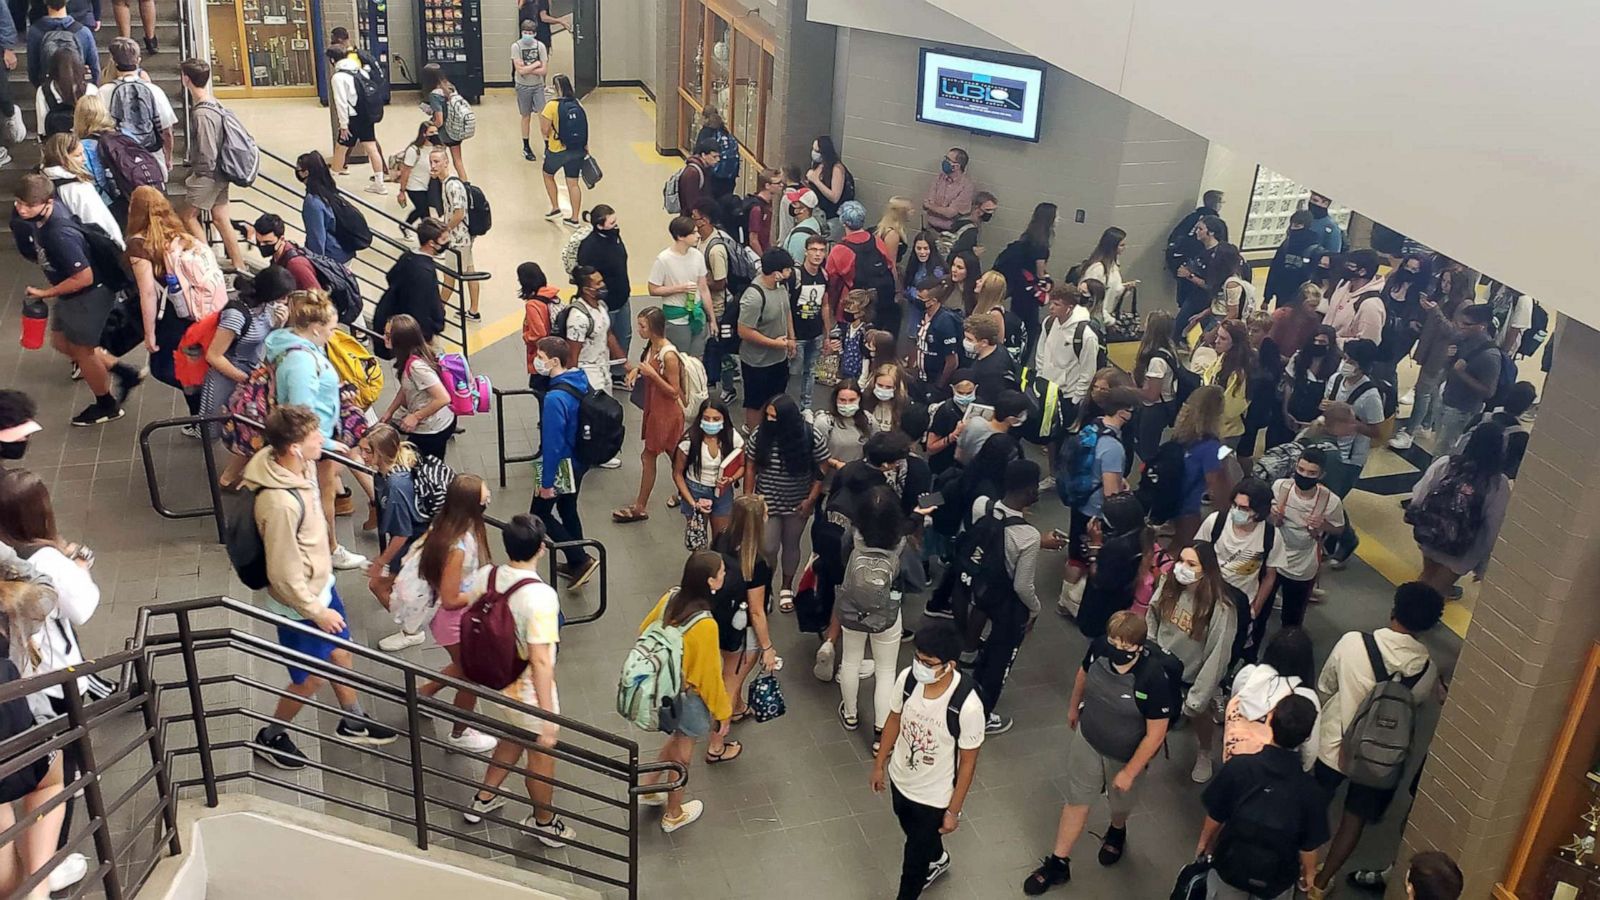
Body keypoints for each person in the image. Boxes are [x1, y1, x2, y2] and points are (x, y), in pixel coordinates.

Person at [244, 406, 399, 769]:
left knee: (341, 652)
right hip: (300, 606)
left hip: (321, 587)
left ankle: (354, 719)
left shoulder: (302, 465)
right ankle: (271, 736)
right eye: (316, 436)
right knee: (310, 679)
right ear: (295, 447)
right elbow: (282, 573)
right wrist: (316, 611)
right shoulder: (279, 502)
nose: (323, 441)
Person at [1022, 610, 1176, 894]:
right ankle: (1058, 863)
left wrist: (1130, 771)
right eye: (1113, 641)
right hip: (1089, 739)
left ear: (1139, 647)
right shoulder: (1100, 648)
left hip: (1126, 754)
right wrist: (1073, 707)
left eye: (1126, 646)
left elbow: (1156, 734)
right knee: (1077, 800)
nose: (1117, 649)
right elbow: (1083, 674)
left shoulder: (1152, 677)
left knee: (1120, 803)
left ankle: (1117, 830)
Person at [1310, 582, 1445, 897]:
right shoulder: (1427, 670)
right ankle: (1321, 882)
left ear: (1393, 609)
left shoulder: (1353, 643)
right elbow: (1416, 707)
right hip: (1381, 759)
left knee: (1314, 804)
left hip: (1333, 746)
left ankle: (1299, 861)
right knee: (1353, 819)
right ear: (1430, 626)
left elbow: (1326, 685)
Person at [458, 514, 575, 847]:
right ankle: (544, 821)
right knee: (540, 759)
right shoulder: (540, 597)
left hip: (495, 680)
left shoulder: (487, 575)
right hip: (526, 692)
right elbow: (540, 659)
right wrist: (548, 717)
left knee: (512, 735)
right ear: (540, 548)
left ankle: (484, 797)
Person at [11, 173, 142, 426]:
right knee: (61, 342)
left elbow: (83, 277)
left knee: (83, 351)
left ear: (47, 202)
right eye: (19, 202)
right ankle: (125, 372)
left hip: (87, 295)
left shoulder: (59, 234)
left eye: (29, 205)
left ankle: (106, 405)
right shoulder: (44, 217)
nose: (21, 209)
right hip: (72, 294)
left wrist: (45, 293)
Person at [870, 621, 985, 899]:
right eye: (918, 658)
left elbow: (968, 762)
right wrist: (879, 764)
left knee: (913, 860)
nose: (921, 666)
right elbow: (894, 718)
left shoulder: (967, 706)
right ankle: (937, 856)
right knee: (908, 826)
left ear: (950, 665)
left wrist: (953, 811)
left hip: (934, 797)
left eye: (929, 662)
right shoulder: (909, 679)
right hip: (901, 780)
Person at [0, 563, 93, 895]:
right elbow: (41, 593)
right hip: (10, 725)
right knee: (49, 779)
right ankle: (39, 882)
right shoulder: (12, 603)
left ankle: (28, 885)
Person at [263, 291, 368, 571]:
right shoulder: (302, 361)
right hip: (313, 442)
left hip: (318, 437)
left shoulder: (302, 347)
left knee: (322, 494)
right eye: (332, 329)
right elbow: (301, 413)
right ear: (316, 328)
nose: (334, 335)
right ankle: (326, 549)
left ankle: (325, 546)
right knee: (319, 496)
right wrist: (329, 445)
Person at [1197, 694, 1328, 900]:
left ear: (1269, 720)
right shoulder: (1311, 791)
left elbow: (1216, 814)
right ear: (1307, 736)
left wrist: (1205, 842)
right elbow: (1308, 846)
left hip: (1230, 865)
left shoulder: (1238, 767)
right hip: (1276, 878)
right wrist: (1309, 874)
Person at [964, 459, 1063, 733]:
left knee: (985, 653)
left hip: (983, 591)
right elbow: (1023, 585)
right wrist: (1035, 609)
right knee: (1001, 658)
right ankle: (982, 716)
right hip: (1008, 605)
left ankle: (969, 691)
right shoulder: (1028, 535)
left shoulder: (985, 507)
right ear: (1031, 491)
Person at [403, 474, 499, 753]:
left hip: (458, 620)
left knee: (462, 667)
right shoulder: (457, 547)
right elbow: (450, 599)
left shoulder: (451, 527)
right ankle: (460, 732)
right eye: (484, 494)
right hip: (455, 621)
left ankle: (423, 694)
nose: (489, 496)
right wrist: (483, 591)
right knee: (472, 674)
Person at [637, 551, 731, 833]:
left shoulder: (671, 598)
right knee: (683, 755)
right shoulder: (705, 625)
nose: (725, 574)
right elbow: (709, 677)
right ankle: (674, 813)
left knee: (676, 741)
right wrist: (723, 713)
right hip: (688, 697)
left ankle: (648, 786)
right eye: (721, 571)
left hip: (663, 688)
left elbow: (644, 629)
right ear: (710, 582)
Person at [1147, 542, 1237, 783]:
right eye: (1181, 561)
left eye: (1191, 564)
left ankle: (1205, 752)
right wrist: (1152, 647)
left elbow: (1217, 657)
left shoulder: (1220, 608)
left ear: (1206, 569)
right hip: (1163, 666)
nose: (1182, 568)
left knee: (1200, 717)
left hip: (1191, 676)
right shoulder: (1169, 585)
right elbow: (1152, 615)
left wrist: (1197, 698)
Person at [124, 185, 213, 414]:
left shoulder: (139, 245)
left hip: (170, 315)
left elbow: (148, 293)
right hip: (195, 307)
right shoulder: (178, 232)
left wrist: (149, 333)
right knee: (190, 364)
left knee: (163, 368)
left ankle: (206, 403)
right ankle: (201, 413)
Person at [834, 485, 908, 735]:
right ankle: (880, 730)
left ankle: (851, 714)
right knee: (886, 670)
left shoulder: (852, 536)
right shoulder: (901, 543)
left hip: (852, 606)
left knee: (850, 660)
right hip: (887, 612)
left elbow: (843, 561)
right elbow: (913, 579)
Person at [209, 267, 294, 485]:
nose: (285, 301)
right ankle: (231, 476)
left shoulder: (266, 307)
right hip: (229, 377)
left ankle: (235, 475)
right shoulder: (236, 314)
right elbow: (214, 355)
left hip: (252, 371)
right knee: (235, 426)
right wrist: (245, 379)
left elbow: (266, 339)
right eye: (282, 296)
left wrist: (279, 326)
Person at [745, 393, 829, 607]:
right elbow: (751, 466)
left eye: (775, 417)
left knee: (792, 545)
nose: (771, 421)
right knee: (769, 547)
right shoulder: (760, 434)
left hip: (798, 501)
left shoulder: (810, 435)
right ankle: (768, 585)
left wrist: (811, 499)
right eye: (768, 416)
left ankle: (786, 587)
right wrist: (749, 498)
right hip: (767, 500)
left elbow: (821, 468)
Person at [1057, 387, 1137, 613]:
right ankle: (1071, 601)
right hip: (1097, 514)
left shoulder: (1094, 425)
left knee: (1074, 555)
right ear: (1124, 413)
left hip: (1080, 502)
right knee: (1089, 559)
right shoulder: (1113, 447)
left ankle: (1064, 599)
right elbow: (1110, 495)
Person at [1409, 423, 1510, 598]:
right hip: (1463, 549)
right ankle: (1412, 616)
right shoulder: (1497, 484)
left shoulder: (1446, 464)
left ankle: (1411, 606)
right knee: (1432, 593)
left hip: (1431, 534)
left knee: (1427, 576)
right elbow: (1493, 528)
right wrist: (1483, 564)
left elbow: (1419, 495)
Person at [528, 336, 598, 587]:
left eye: (541, 357)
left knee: (539, 514)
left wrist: (546, 483)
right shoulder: (578, 379)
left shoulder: (554, 398)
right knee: (568, 508)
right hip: (580, 459)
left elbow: (552, 444)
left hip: (562, 464)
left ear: (554, 361)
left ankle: (580, 558)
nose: (537, 361)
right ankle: (576, 561)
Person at [1195, 477, 1286, 660]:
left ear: (1259, 512)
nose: (1236, 512)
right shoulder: (1216, 522)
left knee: (1229, 651)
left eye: (1244, 509)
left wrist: (1256, 607)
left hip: (1240, 605)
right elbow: (1197, 554)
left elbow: (1270, 576)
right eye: (1235, 505)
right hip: (1208, 595)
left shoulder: (1270, 537)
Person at [709, 495, 778, 733]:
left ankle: (738, 709)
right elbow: (757, 611)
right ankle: (717, 744)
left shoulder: (720, 539)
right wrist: (767, 647)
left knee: (729, 672)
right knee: (731, 681)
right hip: (744, 633)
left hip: (722, 622)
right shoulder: (756, 563)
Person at [356, 424, 438, 623]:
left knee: (377, 585)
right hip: (421, 538)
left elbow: (401, 534)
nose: (362, 456)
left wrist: (380, 562)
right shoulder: (399, 468)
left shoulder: (395, 486)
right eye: (361, 450)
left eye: (367, 451)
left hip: (414, 544)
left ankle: (411, 629)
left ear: (382, 453)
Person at [1263, 447, 1344, 640]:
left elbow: (1339, 528)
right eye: (1301, 469)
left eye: (1311, 473)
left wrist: (1323, 525)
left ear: (1321, 474)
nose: (1304, 476)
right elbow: (1266, 515)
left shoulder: (1330, 501)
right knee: (1261, 608)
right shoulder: (1281, 487)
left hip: (1303, 566)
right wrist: (1272, 513)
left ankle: (1288, 647)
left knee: (1292, 618)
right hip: (1273, 559)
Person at [614, 307, 685, 523]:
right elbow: (647, 366)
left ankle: (640, 506)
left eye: (642, 326)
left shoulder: (669, 355)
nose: (639, 330)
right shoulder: (652, 347)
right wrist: (637, 370)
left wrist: (652, 375)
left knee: (650, 455)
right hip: (655, 409)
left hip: (666, 413)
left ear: (653, 328)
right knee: (675, 456)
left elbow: (674, 391)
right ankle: (688, 491)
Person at [1390, 272, 1471, 450]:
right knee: (1432, 390)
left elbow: (1454, 332)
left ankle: (1409, 432)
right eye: (1443, 280)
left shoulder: (1464, 305)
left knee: (1423, 391)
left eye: (1449, 282)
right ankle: (1425, 423)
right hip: (1431, 349)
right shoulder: (1444, 299)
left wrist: (1434, 311)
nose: (1444, 285)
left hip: (1441, 354)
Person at [180, 59, 245, 271]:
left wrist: (199, 172)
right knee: (220, 217)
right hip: (223, 171)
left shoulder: (201, 113)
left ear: (186, 79)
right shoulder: (214, 103)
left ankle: (209, 265)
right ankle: (239, 263)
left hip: (209, 174)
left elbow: (207, 151)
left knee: (188, 217)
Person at [1224, 627, 1321, 769]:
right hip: (1274, 771)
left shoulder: (1247, 674)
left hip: (1234, 759)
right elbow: (1310, 750)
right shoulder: (1305, 699)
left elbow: (1234, 705)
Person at [737, 248, 797, 430]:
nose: (791, 272)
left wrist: (791, 339)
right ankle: (754, 434)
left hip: (778, 359)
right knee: (756, 402)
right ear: (777, 273)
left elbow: (786, 312)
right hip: (757, 362)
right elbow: (744, 331)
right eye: (787, 269)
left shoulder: (781, 288)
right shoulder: (754, 296)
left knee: (776, 398)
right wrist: (776, 343)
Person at [379, 314, 454, 461]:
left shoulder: (416, 367)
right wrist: (390, 412)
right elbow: (407, 388)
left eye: (388, 335)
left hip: (432, 429)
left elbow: (443, 398)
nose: (384, 338)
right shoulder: (413, 358)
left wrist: (415, 416)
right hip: (436, 423)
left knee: (422, 467)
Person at [1168, 386, 1235, 547]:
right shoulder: (1211, 448)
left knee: (1175, 548)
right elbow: (1215, 488)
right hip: (1193, 511)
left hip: (1174, 504)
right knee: (1191, 554)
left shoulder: (1179, 439)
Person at [575, 203, 633, 382]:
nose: (615, 224)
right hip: (605, 302)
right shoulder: (590, 247)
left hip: (622, 296)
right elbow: (587, 275)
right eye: (611, 222)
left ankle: (617, 372)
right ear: (600, 225)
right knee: (605, 337)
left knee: (624, 334)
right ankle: (606, 371)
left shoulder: (614, 236)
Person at [1433, 304, 1502, 453]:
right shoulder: (1460, 339)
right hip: (1446, 396)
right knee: (1438, 442)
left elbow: (1489, 392)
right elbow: (1449, 367)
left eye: (1467, 324)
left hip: (1462, 409)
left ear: (1482, 326)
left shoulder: (1490, 356)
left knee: (1445, 450)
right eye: (1460, 322)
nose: (1461, 327)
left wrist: (1463, 374)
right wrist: (1448, 358)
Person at [688, 198, 738, 402]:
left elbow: (720, 282)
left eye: (695, 218)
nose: (692, 221)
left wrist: (699, 282)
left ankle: (728, 385)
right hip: (703, 303)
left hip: (717, 308)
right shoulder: (701, 240)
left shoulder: (716, 249)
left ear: (705, 220)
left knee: (720, 349)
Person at [673, 397, 744, 539]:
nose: (711, 423)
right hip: (695, 490)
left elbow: (742, 465)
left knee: (721, 539)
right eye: (707, 418)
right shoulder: (689, 441)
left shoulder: (733, 437)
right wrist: (693, 502)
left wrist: (730, 479)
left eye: (716, 419)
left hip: (723, 493)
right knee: (697, 540)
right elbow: (677, 474)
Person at [992, 202, 1057, 356]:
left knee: (1016, 321)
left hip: (1019, 287)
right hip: (1030, 293)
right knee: (1030, 327)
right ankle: (1023, 357)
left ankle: (1012, 350)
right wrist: (1048, 282)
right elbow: (1040, 273)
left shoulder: (1027, 237)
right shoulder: (1041, 246)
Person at [824, 199, 896, 333]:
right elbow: (890, 266)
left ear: (844, 222)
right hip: (879, 306)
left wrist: (831, 310)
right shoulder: (877, 241)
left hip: (853, 308)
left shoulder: (840, 250)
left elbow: (831, 283)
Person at [563, 265, 625, 418]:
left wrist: (624, 362)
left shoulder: (601, 306)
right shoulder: (578, 318)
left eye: (602, 281)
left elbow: (608, 334)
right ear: (586, 289)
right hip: (588, 378)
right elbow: (572, 356)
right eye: (597, 284)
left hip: (603, 373)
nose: (603, 285)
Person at [427, 146, 481, 320]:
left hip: (457, 240)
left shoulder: (452, 186)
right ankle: (473, 311)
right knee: (470, 272)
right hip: (463, 238)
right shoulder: (447, 184)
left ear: (446, 163)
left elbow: (459, 213)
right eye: (431, 162)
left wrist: (445, 230)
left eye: (436, 162)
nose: (433, 166)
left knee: (449, 277)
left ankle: (438, 310)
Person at [647, 214, 710, 362]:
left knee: (696, 360)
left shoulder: (697, 256)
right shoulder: (664, 259)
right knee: (678, 360)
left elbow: (704, 288)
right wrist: (679, 288)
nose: (698, 235)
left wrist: (711, 318)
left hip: (697, 314)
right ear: (680, 236)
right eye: (693, 232)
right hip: (676, 319)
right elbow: (653, 289)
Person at [104, 38, 173, 170]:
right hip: (152, 158)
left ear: (112, 62)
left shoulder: (104, 92)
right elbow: (167, 131)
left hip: (120, 162)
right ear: (138, 60)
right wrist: (168, 158)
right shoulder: (154, 90)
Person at [39, 132, 119, 243]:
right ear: (63, 157)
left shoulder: (45, 180)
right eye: (78, 155)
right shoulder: (77, 188)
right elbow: (95, 221)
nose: (84, 159)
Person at [1033, 282, 1100, 415]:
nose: (1051, 307)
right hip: (1045, 390)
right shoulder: (1049, 322)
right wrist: (1040, 377)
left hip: (1066, 396)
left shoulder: (1086, 335)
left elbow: (1088, 372)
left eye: (1057, 304)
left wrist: (1076, 400)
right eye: (1051, 303)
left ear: (1070, 308)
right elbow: (1041, 353)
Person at [1323, 338, 1387, 474]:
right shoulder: (1335, 379)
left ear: (1362, 366)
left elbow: (1379, 433)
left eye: (1351, 362)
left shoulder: (1371, 396)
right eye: (1345, 358)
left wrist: (1347, 418)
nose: (1345, 364)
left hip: (1350, 458)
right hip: (1328, 446)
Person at [326, 48, 384, 193]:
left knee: (340, 148)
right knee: (371, 148)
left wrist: (343, 125)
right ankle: (380, 184)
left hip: (352, 118)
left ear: (332, 60)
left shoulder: (338, 77)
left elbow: (340, 103)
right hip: (366, 115)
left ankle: (331, 182)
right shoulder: (359, 70)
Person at [1273, 321, 1339, 447]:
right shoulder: (1298, 357)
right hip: (1292, 416)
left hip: (1316, 422)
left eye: (1322, 342)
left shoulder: (1336, 365)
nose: (1317, 344)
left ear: (1330, 345)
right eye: (1315, 341)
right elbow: (1288, 385)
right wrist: (1286, 412)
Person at [382, 217, 448, 341]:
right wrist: (436, 324)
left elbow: (390, 276)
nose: (448, 242)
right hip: (418, 332)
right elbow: (427, 303)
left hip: (400, 316)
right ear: (431, 243)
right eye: (444, 239)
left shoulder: (407, 256)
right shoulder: (425, 271)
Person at [1374, 252, 1433, 387]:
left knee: (1385, 370)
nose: (1409, 271)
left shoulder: (1424, 294)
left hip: (1399, 340)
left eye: (1414, 270)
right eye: (1407, 267)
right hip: (1380, 329)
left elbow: (1418, 322)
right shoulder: (1393, 279)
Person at [538, 74, 587, 226]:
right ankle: (574, 218)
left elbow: (545, 130)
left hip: (557, 150)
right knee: (573, 183)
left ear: (556, 88)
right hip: (577, 149)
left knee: (547, 174)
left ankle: (555, 207)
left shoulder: (551, 106)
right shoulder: (577, 103)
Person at [1131, 311, 1179, 461]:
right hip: (1163, 404)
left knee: (1147, 450)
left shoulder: (1156, 361)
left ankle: (1151, 476)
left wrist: (1130, 390)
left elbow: (1152, 395)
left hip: (1155, 410)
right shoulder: (1169, 349)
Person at [790, 231, 830, 411]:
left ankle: (806, 407)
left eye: (821, 250)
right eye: (813, 249)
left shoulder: (824, 275)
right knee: (793, 373)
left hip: (815, 334)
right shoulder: (795, 275)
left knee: (811, 372)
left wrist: (827, 335)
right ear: (806, 251)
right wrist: (790, 336)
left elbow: (825, 305)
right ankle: (788, 407)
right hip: (797, 335)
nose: (817, 254)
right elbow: (787, 307)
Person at [295, 151, 355, 262]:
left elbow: (317, 240)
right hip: (344, 251)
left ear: (305, 173)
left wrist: (315, 263)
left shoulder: (312, 202)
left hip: (332, 257)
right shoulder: (329, 190)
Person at [1201, 319, 1254, 442]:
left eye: (1223, 339)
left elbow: (1230, 410)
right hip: (1213, 428)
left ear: (1235, 343)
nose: (1216, 341)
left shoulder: (1239, 373)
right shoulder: (1224, 357)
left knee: (1221, 461)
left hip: (1227, 435)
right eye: (1217, 336)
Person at [1172, 214, 1224, 338]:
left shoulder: (1218, 255)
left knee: (1207, 333)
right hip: (1194, 296)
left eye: (1200, 229)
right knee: (1178, 328)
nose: (1196, 232)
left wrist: (1189, 276)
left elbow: (1211, 285)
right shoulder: (1201, 249)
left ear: (1210, 232)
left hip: (1207, 300)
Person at [1322, 249, 1387, 347]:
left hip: (1343, 357)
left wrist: (1337, 343)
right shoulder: (1342, 285)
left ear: (1362, 272)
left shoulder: (1371, 304)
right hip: (1325, 350)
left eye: (1350, 266)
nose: (1345, 268)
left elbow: (1368, 344)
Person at [25, 0, 97, 86]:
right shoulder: (83, 32)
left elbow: (33, 70)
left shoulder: (35, 32)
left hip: (49, 91)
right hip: (79, 91)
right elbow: (95, 69)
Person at [246, 212, 319, 291]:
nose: (262, 245)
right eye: (258, 241)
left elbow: (319, 298)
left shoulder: (295, 265)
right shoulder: (277, 257)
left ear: (281, 239)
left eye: (267, 242)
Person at [419, 64, 468, 180]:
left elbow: (439, 120)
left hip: (443, 134)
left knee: (437, 159)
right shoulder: (450, 88)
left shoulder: (434, 95)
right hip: (455, 129)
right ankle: (465, 185)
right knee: (458, 161)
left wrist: (430, 126)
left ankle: (439, 183)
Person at [1263, 209, 1321, 308]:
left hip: (1302, 296)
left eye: (1298, 226)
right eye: (1292, 225)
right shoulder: (1286, 245)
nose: (1293, 229)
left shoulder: (1314, 249)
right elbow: (1274, 271)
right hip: (1282, 294)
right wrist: (1267, 298)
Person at [813, 380, 873, 472]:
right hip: (831, 477)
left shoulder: (869, 420)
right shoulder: (824, 422)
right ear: (835, 400)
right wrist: (836, 464)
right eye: (842, 400)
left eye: (852, 400)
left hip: (858, 477)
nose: (847, 404)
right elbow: (816, 455)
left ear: (859, 399)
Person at [1166, 188, 1225, 282]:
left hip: (1180, 262)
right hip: (1198, 267)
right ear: (1217, 204)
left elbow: (1174, 237)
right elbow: (1222, 247)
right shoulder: (1216, 224)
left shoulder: (1191, 217)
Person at [1080, 226, 1137, 323]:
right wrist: (1110, 321)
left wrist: (1125, 288)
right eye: (1121, 245)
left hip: (1105, 317)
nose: (1124, 248)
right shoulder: (1097, 269)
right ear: (1112, 246)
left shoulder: (1113, 266)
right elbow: (1094, 299)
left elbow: (1112, 291)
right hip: (1095, 320)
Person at [510, 18, 547, 162]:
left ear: (535, 33)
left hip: (538, 86)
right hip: (522, 86)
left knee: (543, 116)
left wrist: (528, 68)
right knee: (525, 116)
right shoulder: (516, 47)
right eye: (525, 32)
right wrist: (536, 64)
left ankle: (547, 145)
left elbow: (544, 71)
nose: (527, 34)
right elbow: (520, 71)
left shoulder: (540, 47)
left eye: (530, 32)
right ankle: (526, 146)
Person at [964, 314, 1018, 405]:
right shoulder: (999, 348)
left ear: (984, 342)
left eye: (970, 339)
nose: (965, 341)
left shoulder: (990, 371)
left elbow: (988, 402)